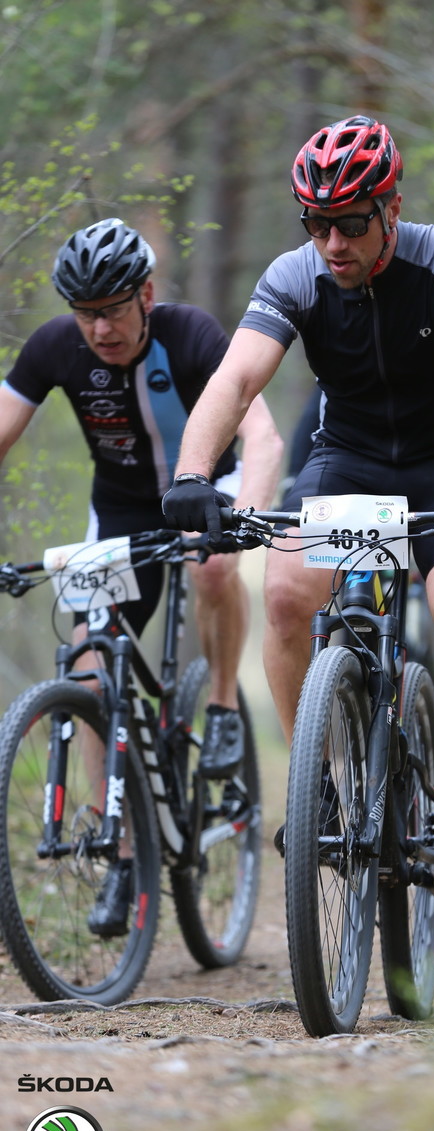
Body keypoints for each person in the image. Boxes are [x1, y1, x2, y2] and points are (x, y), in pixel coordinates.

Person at [162, 113, 434, 909]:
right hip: (348, 456)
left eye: (349, 224)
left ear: (392, 210)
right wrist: (193, 474)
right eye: (317, 224)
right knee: (281, 595)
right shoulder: (293, 277)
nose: (333, 244)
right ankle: (324, 788)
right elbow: (236, 381)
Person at [0, 216, 283, 933]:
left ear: (146, 294)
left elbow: (263, 436)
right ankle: (120, 848)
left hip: (208, 490)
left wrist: (242, 520)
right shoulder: (54, 350)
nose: (99, 329)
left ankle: (219, 708)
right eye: (85, 313)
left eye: (113, 310)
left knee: (216, 572)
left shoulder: (189, 335)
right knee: (93, 669)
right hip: (122, 515)